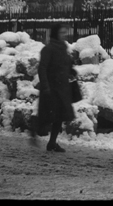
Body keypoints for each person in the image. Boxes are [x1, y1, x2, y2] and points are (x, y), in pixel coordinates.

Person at [35, 24, 76, 152]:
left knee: (59, 116)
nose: (64, 35)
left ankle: (52, 143)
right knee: (49, 116)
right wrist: (46, 86)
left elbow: (66, 64)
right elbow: (42, 68)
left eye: (65, 32)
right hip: (51, 87)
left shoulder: (63, 48)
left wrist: (71, 70)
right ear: (55, 34)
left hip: (62, 88)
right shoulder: (48, 49)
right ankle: (34, 126)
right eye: (62, 33)